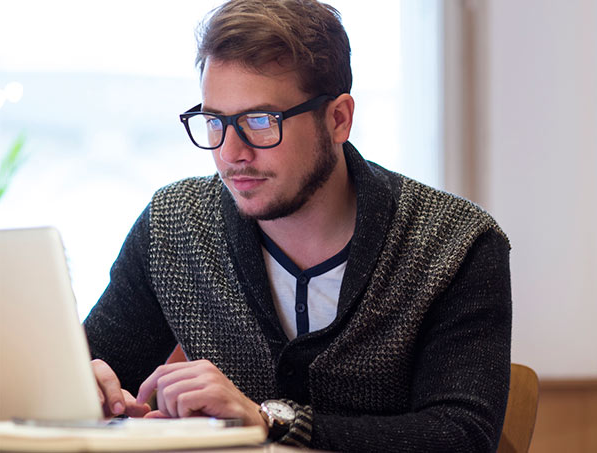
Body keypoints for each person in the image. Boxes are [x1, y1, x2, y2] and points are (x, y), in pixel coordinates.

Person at [82, 0, 512, 451]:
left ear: (338, 119)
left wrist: (269, 419)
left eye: (260, 121)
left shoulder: (455, 243)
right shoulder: (175, 225)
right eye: (215, 122)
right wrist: (83, 388)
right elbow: (97, 371)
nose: (231, 153)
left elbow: (461, 436)